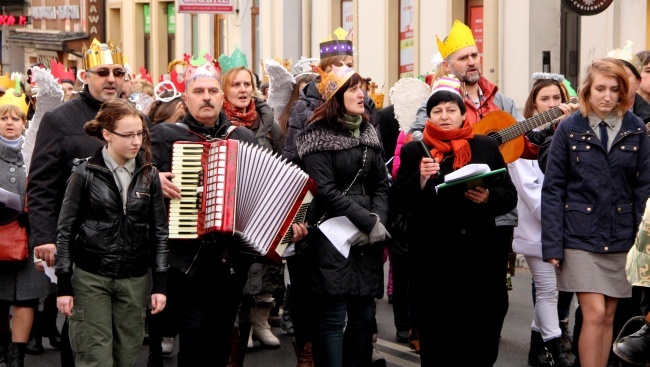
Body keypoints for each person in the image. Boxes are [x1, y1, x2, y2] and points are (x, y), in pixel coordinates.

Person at [390, 74, 517, 366]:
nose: (444, 116)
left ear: (463, 115)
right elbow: (398, 201)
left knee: (478, 345)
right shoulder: (414, 150)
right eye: (437, 111)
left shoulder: (484, 147)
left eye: (451, 110)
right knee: (438, 348)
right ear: (429, 117)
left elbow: (508, 195)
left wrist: (488, 198)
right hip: (434, 265)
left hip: (478, 263)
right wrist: (420, 180)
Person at [148, 50, 257, 367]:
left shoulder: (244, 137)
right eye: (198, 91)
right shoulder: (166, 136)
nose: (206, 98)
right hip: (186, 257)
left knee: (223, 338)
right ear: (185, 98)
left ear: (222, 97)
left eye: (212, 91)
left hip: (230, 258)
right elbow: (135, 183)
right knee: (194, 337)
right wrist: (153, 179)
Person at [26, 38, 129, 367]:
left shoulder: (135, 118)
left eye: (117, 72)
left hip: (128, 243)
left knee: (124, 328)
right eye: (102, 72)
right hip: (79, 242)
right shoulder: (59, 119)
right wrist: (43, 237)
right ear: (85, 76)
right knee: (84, 325)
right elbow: (41, 184)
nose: (111, 78)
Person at [542, 57, 650, 367]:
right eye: (600, 88)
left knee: (610, 317)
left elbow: (644, 189)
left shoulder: (636, 129)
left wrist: (643, 245)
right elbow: (553, 188)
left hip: (621, 235)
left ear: (622, 92)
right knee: (595, 313)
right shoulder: (569, 128)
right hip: (578, 235)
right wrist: (552, 244)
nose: (606, 95)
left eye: (614, 89)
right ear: (588, 90)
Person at [54, 98, 168, 367]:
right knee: (94, 356)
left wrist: (160, 285)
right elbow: (65, 230)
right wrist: (63, 286)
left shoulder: (149, 175)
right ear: (106, 134)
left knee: (127, 355)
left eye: (139, 133)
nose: (136, 141)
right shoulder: (85, 172)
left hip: (134, 277)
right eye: (127, 135)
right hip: (91, 277)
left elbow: (160, 232)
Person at [293, 64, 389, 367]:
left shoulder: (370, 132)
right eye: (352, 88)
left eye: (362, 87)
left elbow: (381, 184)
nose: (362, 94)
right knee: (333, 317)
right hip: (331, 236)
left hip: (368, 234)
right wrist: (368, 221)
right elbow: (326, 191)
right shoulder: (316, 136)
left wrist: (378, 220)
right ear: (335, 96)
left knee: (363, 316)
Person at [509, 72, 576, 367]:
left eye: (557, 98)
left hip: (563, 229)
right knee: (548, 290)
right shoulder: (521, 145)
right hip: (538, 231)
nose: (552, 105)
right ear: (533, 106)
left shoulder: (570, 136)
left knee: (557, 292)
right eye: (544, 99)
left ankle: (537, 349)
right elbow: (534, 196)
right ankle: (555, 349)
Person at [219, 61, 284, 359]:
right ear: (224, 90)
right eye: (236, 84)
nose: (243, 90)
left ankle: (260, 322)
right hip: (231, 203)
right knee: (237, 266)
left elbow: (284, 162)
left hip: (263, 200)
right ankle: (237, 325)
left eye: (247, 84)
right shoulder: (217, 122)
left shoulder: (270, 123)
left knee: (267, 264)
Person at [0, 96, 50, 367]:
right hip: (0, 235)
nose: (9, 123)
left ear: (24, 123)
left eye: (15, 118)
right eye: (4, 118)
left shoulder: (35, 150)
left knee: (27, 298)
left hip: (30, 234)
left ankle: (17, 355)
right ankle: (3, 346)